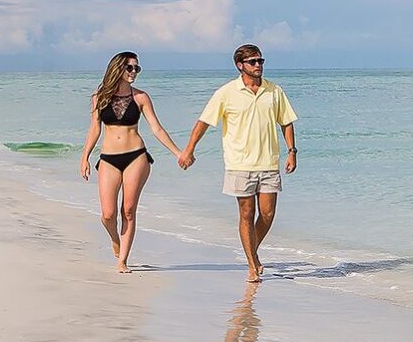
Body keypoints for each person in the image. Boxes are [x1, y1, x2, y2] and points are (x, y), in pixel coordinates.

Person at [179, 43, 298, 282]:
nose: (258, 65)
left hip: (268, 163)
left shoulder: (274, 91)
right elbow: (204, 122)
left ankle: (251, 252)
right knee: (247, 213)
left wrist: (292, 151)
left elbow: (286, 122)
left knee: (267, 213)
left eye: (260, 61)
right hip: (239, 164)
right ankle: (252, 265)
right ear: (240, 65)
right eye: (253, 62)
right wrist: (189, 150)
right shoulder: (226, 92)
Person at [77, 51, 185, 274]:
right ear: (118, 68)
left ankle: (122, 260)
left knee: (128, 210)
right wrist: (85, 156)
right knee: (107, 215)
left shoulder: (141, 97)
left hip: (136, 156)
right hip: (108, 158)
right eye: (130, 68)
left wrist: (178, 152)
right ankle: (116, 240)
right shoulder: (99, 97)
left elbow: (156, 128)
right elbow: (95, 128)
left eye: (137, 68)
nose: (134, 72)